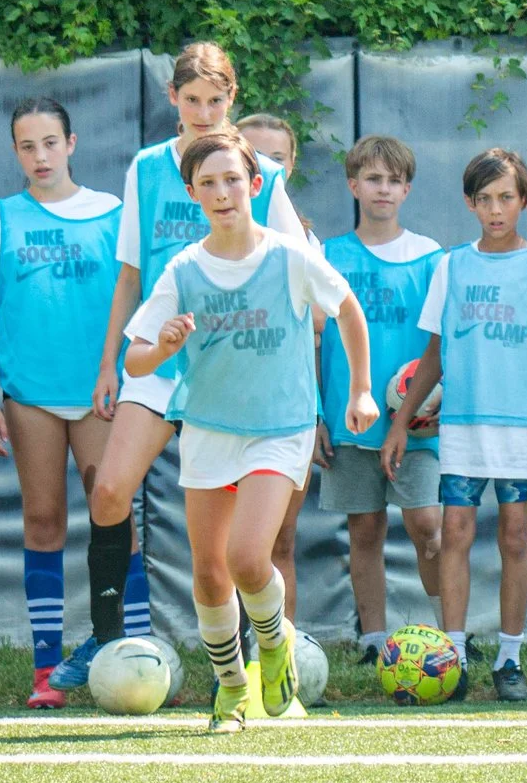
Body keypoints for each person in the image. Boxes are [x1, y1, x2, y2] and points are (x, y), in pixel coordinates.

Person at [57, 42, 308, 693]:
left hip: (234, 363)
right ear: (173, 99)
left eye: (215, 100)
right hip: (161, 358)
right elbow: (131, 273)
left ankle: (265, 653)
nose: (203, 111)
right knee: (110, 490)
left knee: (247, 536)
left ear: (232, 99)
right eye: (191, 99)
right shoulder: (146, 168)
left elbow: (298, 270)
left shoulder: (261, 173)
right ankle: (107, 637)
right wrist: (112, 360)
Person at [123, 128, 375, 732]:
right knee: (208, 574)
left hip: (279, 427)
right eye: (206, 183)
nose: (221, 191)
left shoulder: (288, 256)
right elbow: (134, 360)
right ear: (192, 194)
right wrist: (162, 348)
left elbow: (346, 309)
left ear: (256, 185)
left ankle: (275, 642)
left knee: (245, 557)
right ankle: (232, 686)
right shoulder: (184, 269)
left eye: (232, 179)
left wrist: (362, 390)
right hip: (209, 427)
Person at [382, 147, 527, 702]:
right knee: (456, 537)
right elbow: (435, 352)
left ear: (524, 201)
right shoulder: (453, 265)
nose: (496, 210)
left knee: (517, 537)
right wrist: (400, 423)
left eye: (506, 198)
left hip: (523, 433)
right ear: (470, 203)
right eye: (485, 199)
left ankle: (510, 659)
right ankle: (451, 658)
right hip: (464, 430)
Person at [0, 98, 129, 708]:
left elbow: (131, 304)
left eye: (50, 143)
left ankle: (125, 657)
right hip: (29, 394)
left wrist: (114, 373)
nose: (40, 156)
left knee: (114, 523)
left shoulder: (113, 214)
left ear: (72, 142)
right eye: (26, 146)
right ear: (15, 151)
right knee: (43, 522)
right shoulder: (0, 218)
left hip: (98, 394)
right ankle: (46, 669)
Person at [319, 136, 444, 668]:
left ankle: (450, 631)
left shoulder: (431, 257)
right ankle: (373, 639)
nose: (384, 189)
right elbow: (311, 339)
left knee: (427, 527)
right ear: (353, 186)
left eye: (394, 180)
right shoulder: (328, 256)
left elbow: (442, 344)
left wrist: (434, 404)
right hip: (348, 420)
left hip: (416, 423)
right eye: (373, 179)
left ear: (408, 189)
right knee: (364, 528)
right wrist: (316, 417)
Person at [236, 113, 320, 622]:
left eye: (276, 158)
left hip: (288, 412)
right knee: (230, 550)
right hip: (220, 413)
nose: (264, 167)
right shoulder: (205, 248)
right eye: (253, 154)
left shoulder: (305, 245)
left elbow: (320, 328)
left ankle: (277, 662)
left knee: (278, 543)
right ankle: (230, 668)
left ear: (288, 168)